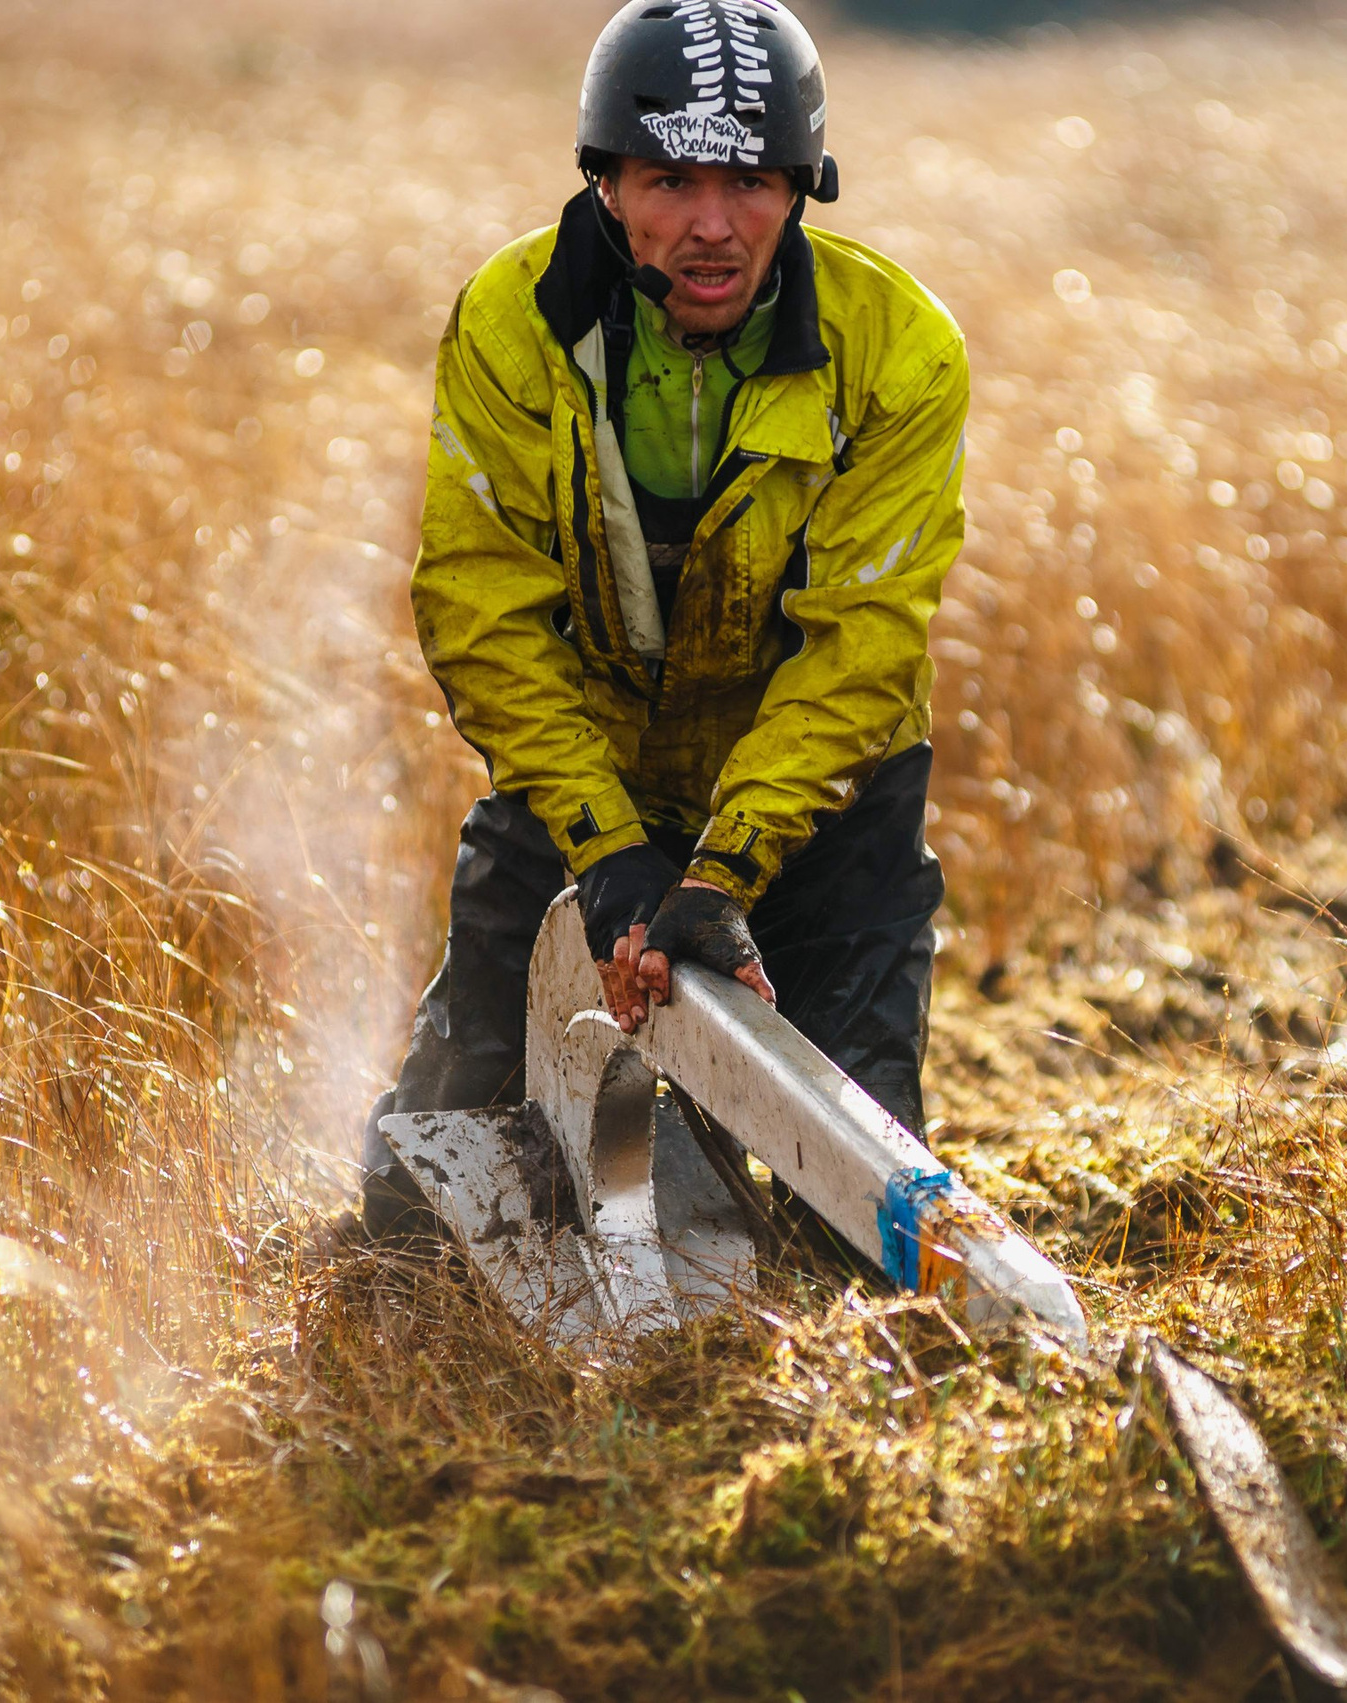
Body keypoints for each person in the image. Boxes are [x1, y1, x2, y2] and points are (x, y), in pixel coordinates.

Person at [362, 0, 970, 1235]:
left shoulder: (901, 350)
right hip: (589, 790)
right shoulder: (508, 320)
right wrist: (608, 853)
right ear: (602, 183)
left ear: (804, 186)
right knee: (414, 1216)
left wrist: (724, 871)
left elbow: (861, 645)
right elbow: (481, 608)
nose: (711, 224)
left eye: (749, 180)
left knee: (847, 1235)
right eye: (669, 177)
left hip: (822, 818)